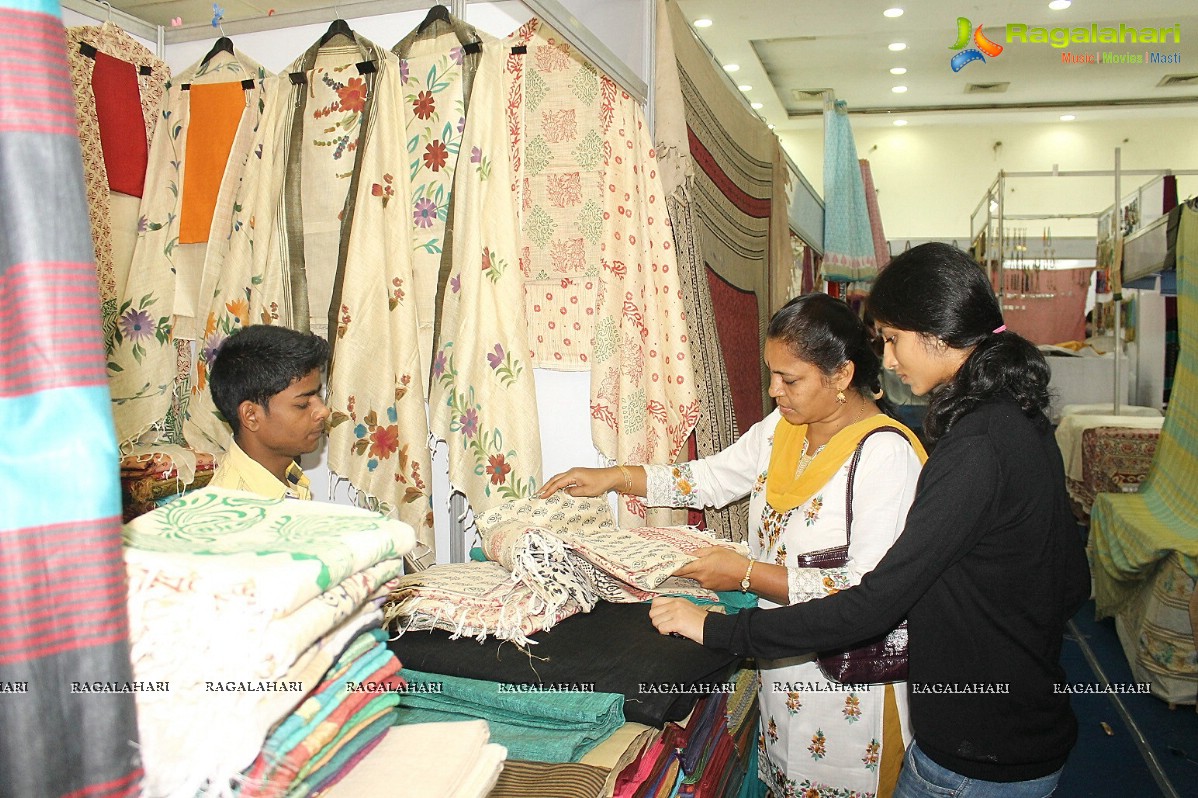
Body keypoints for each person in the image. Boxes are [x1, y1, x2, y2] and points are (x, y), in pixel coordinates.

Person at [650, 243, 1091, 797]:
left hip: (973, 752)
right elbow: (1072, 581)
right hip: (1020, 725)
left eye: (893, 338)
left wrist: (717, 628)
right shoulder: (1021, 422)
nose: (889, 356)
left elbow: (871, 604)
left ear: (936, 332)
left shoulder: (967, 449)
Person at [539, 293, 927, 798]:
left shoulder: (885, 457)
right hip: (782, 660)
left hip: (852, 688)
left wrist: (744, 574)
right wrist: (615, 477)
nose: (773, 391)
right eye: (772, 375)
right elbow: (709, 479)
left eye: (790, 380)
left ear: (841, 376)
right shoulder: (783, 431)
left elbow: (865, 591)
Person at [207, 324, 330, 500]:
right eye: (303, 404)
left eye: (318, 394)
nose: (323, 411)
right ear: (251, 416)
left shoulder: (287, 475)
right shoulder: (235, 515)